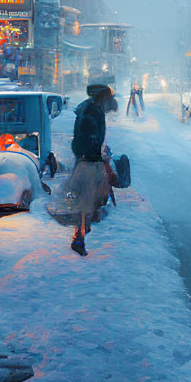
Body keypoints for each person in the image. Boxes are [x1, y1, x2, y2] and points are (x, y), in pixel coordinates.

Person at [61, 78, 117, 256]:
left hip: (90, 160)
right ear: (102, 96)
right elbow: (85, 138)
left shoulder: (93, 108)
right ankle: (79, 237)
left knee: (92, 200)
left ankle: (82, 232)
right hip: (88, 162)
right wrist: (92, 155)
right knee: (86, 200)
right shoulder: (91, 111)